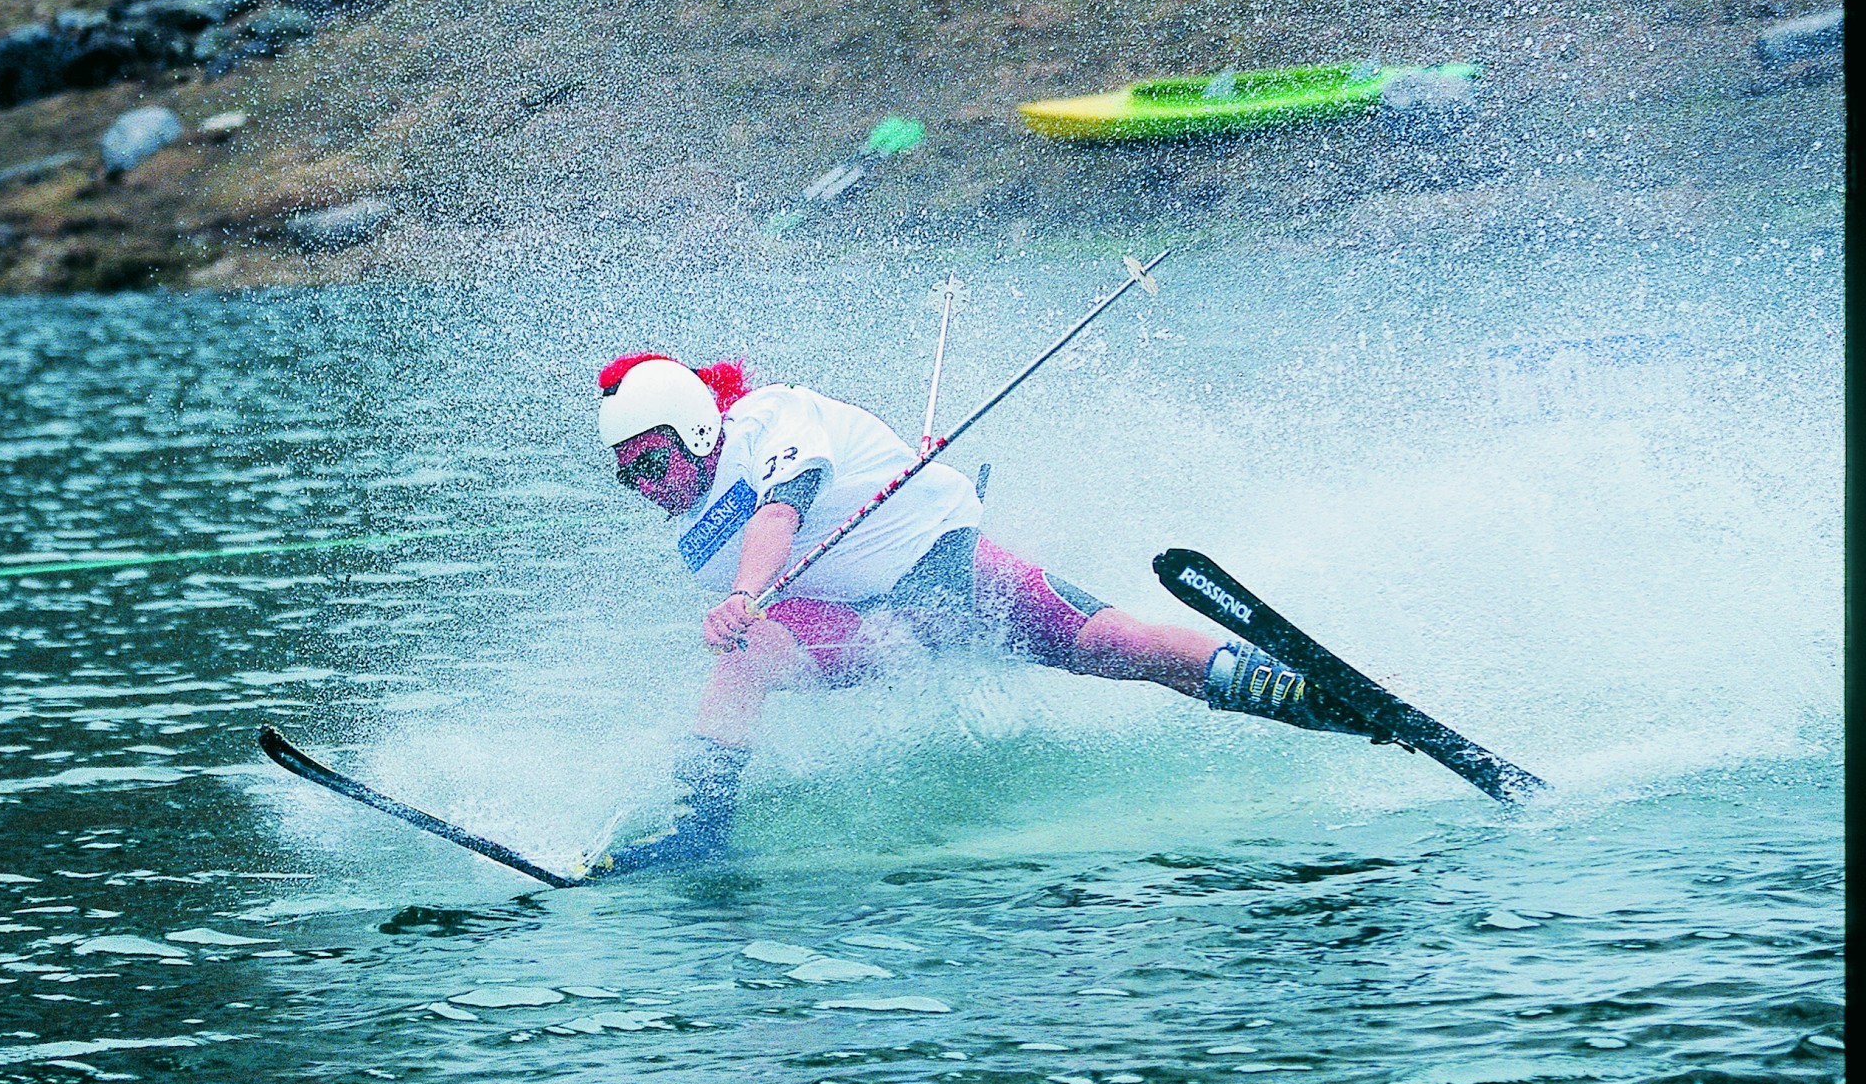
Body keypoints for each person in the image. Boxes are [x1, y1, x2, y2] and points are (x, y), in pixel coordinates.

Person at [591, 352, 1387, 873]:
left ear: (696, 426)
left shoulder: (774, 417)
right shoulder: (694, 541)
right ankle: (700, 833)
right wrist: (757, 621)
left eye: (653, 462)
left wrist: (741, 600)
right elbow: (787, 602)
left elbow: (782, 514)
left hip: (949, 572)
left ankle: (1295, 691)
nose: (649, 487)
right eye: (632, 478)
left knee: (1109, 643)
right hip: (877, 632)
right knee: (743, 658)